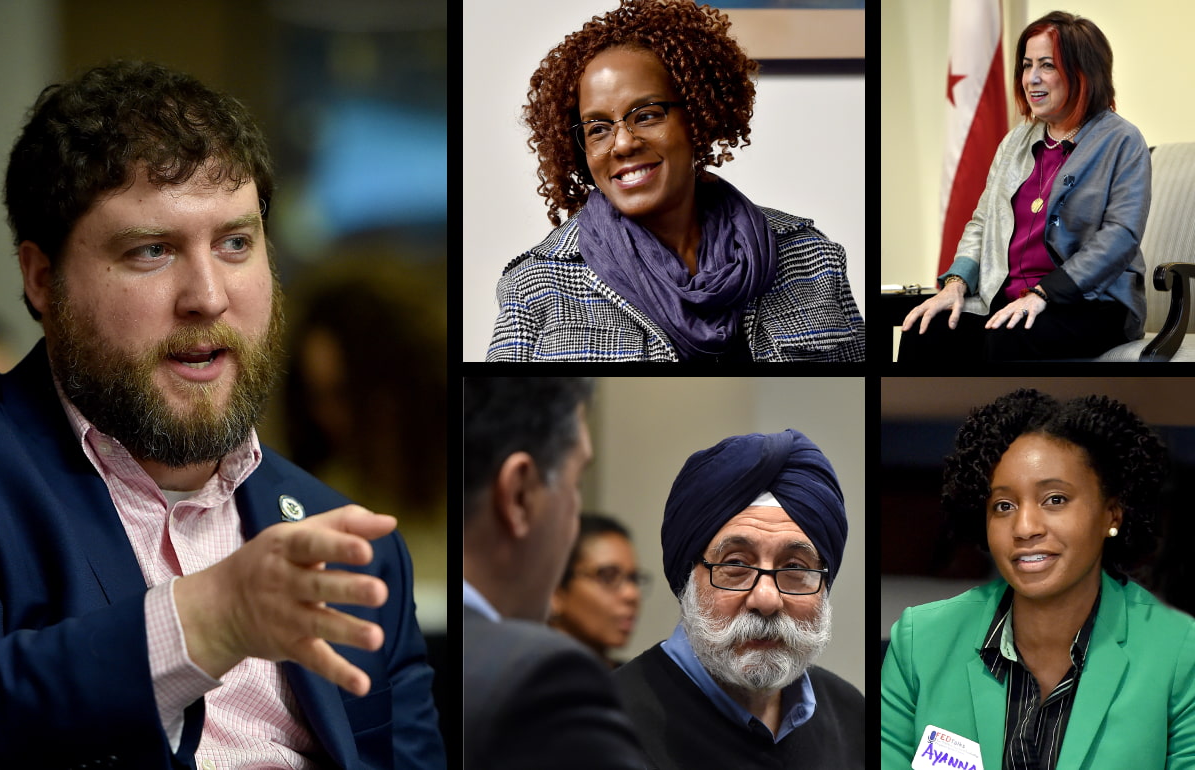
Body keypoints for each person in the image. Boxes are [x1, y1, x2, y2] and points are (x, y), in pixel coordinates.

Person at [0, 61, 444, 768]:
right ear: (42, 278)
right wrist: (209, 620)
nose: (208, 296)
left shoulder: (344, 542)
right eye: (152, 251)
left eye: (235, 244)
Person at [486, 0, 864, 363]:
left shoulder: (810, 257)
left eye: (647, 115)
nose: (623, 142)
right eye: (598, 128)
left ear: (698, 119)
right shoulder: (535, 286)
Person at [881, 389, 1195, 768]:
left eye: (1055, 499)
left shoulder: (1180, 652)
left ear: (1112, 514)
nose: (1024, 527)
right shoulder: (920, 642)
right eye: (1003, 506)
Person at [900, 12, 1149, 362]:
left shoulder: (1122, 140)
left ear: (1083, 72)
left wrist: (1045, 293)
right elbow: (982, 221)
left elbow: (1119, 237)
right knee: (926, 328)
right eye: (1026, 65)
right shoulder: (1016, 140)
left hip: (1089, 303)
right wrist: (956, 283)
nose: (1031, 78)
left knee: (1008, 337)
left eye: (1047, 65)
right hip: (1008, 296)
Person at [613, 431, 863, 768]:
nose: (766, 598)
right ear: (688, 577)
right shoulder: (600, 728)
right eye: (735, 564)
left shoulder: (851, 717)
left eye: (794, 567)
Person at [463, 377, 646, 769]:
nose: (630, 595)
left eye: (633, 578)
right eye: (576, 481)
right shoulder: (545, 678)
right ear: (520, 496)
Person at [549, 513, 648, 669]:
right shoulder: (523, 682)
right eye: (608, 577)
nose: (632, 594)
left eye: (633, 579)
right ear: (555, 591)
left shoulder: (637, 683)